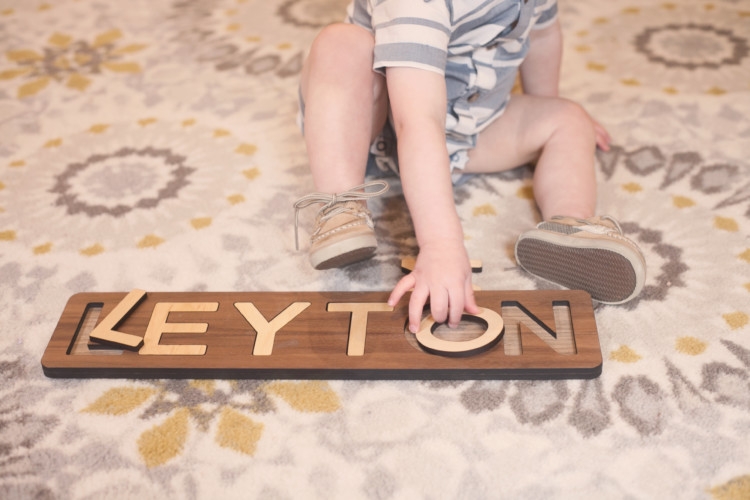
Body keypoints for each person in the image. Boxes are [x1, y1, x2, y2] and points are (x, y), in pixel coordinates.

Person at [293, 0, 646, 334]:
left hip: (470, 128)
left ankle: (570, 227)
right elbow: (416, 122)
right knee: (340, 44)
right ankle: (340, 204)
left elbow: (542, 36)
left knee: (570, 119)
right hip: (374, 129)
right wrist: (442, 246)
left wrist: (547, 109)